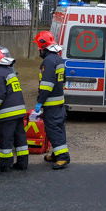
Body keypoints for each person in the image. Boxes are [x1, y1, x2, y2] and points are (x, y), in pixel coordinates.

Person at [0, 47, 29, 172]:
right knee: (20, 138)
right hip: (19, 111)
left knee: (6, 139)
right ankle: (22, 163)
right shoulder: (9, 71)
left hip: (7, 113)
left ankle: (5, 164)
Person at [34, 30, 70, 169]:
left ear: (44, 47)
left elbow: (47, 85)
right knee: (58, 128)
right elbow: (64, 80)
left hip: (51, 103)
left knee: (53, 130)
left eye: (39, 48)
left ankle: (63, 157)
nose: (39, 50)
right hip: (59, 102)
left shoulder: (48, 61)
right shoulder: (59, 59)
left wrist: (39, 102)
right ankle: (56, 153)